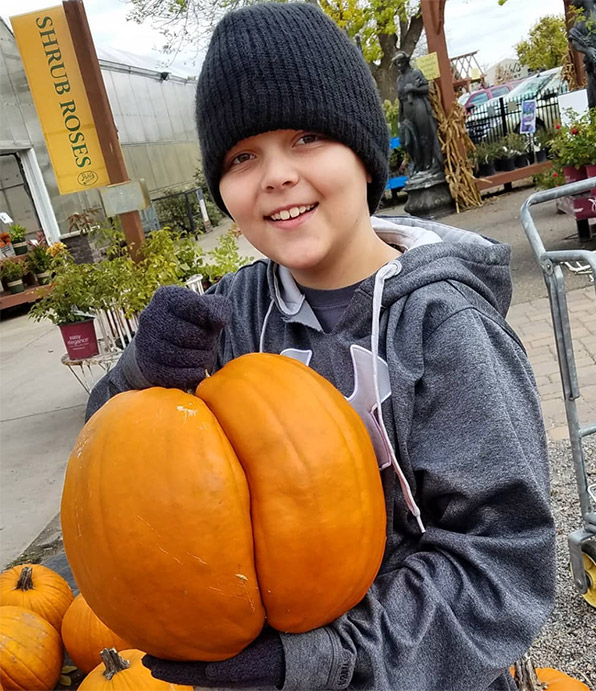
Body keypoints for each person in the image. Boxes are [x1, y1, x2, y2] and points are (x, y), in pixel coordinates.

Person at [85, 3, 555, 690]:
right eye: (243, 156)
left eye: (306, 137)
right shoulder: (228, 315)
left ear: (365, 155)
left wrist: (319, 660)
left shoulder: (443, 327)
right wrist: (140, 373)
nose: (275, 174)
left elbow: (503, 562)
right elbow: (114, 477)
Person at [392, 50, 444, 175]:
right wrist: (400, 120)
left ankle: (428, 163)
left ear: (406, 61)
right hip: (406, 109)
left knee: (424, 136)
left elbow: (426, 88)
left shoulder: (416, 73)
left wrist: (413, 88)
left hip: (418, 106)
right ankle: (418, 163)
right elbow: (400, 100)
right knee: (408, 141)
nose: (399, 66)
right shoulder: (399, 79)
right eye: (397, 63)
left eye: (401, 62)